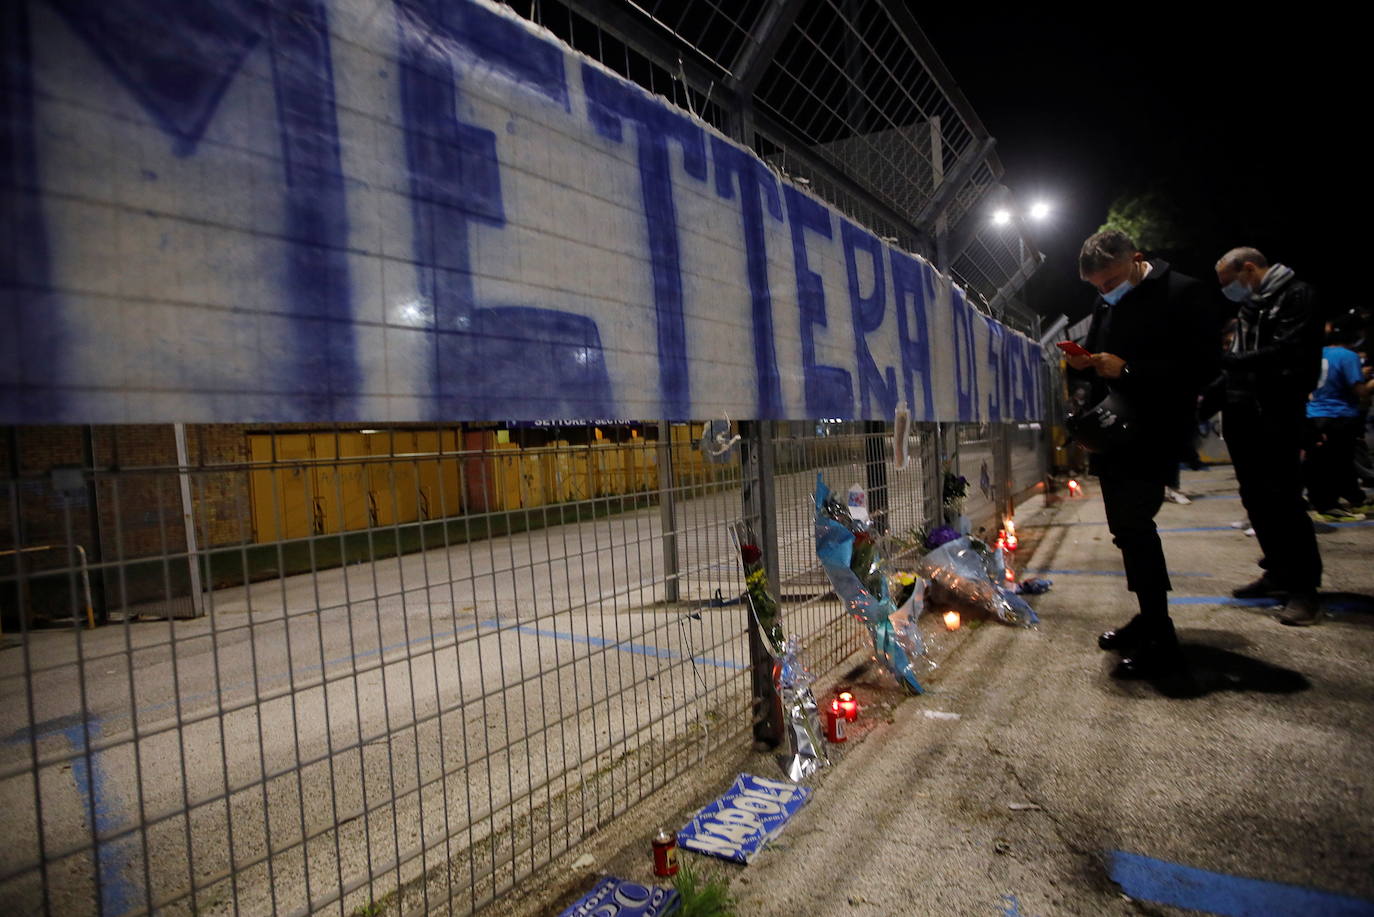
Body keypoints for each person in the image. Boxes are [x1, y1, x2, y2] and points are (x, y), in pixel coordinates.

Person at [1066, 231, 1220, 674]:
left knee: (1136, 525)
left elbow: (1205, 366)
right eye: (1096, 286)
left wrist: (1130, 370)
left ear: (1136, 259)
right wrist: (1086, 362)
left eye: (1110, 281)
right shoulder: (1106, 301)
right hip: (1115, 430)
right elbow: (1103, 356)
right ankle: (1150, 617)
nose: (1104, 291)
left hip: (1153, 430)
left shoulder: (1183, 292)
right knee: (1125, 530)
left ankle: (1161, 634)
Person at [1214, 247, 1326, 625]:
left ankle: (1304, 589)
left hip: (1278, 410)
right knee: (1256, 498)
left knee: (1284, 499)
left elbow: (1286, 352)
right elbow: (1238, 358)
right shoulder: (1252, 307)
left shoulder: (1296, 296)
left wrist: (1226, 362)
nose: (1228, 291)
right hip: (1244, 411)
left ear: (1248, 269)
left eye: (1230, 283)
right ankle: (1277, 571)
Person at [1304, 318, 1370, 521]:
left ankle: (1344, 499)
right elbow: (1358, 390)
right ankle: (1329, 506)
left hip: (1314, 414)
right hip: (1339, 414)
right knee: (1340, 462)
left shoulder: (1316, 354)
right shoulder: (1347, 356)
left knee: (1320, 462)